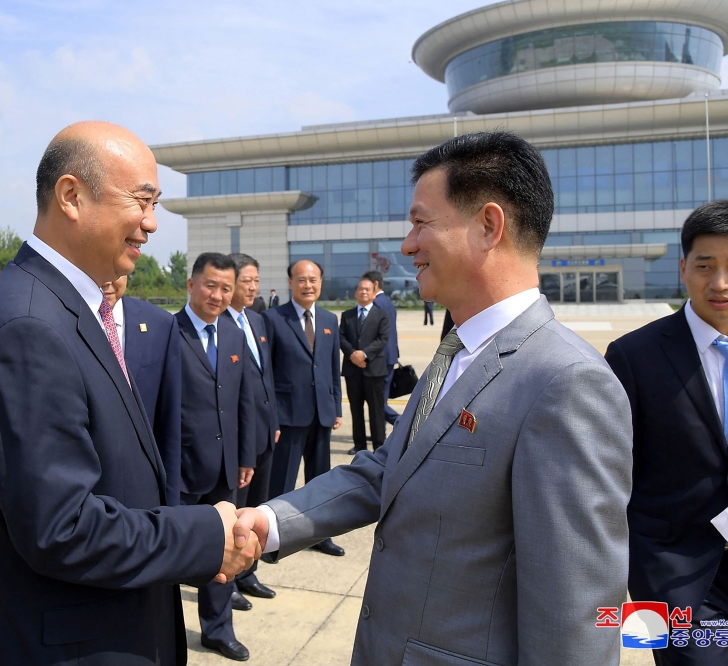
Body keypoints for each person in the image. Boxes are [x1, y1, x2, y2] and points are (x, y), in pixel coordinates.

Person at [237, 131, 633, 665]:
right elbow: (390, 469)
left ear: (488, 226)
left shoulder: (567, 384)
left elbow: (577, 618)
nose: (407, 244)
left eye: (421, 222)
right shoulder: (458, 351)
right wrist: (269, 521)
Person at [0, 122, 259, 666]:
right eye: (141, 201)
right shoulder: (30, 327)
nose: (151, 224)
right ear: (71, 196)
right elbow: (62, 528)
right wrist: (205, 533)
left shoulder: (62, 307)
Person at [605, 199, 728, 666]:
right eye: (705, 266)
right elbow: (609, 469)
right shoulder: (633, 357)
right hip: (676, 573)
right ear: (684, 268)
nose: (720, 283)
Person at [175, 252, 257, 662]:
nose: (218, 295)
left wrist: (245, 457)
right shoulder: (168, 333)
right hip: (182, 470)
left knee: (225, 550)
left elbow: (243, 401)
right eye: (211, 285)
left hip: (225, 469)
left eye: (226, 288)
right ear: (191, 285)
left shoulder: (234, 335)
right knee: (173, 555)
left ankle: (217, 630)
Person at [262, 259, 345, 557]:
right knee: (282, 480)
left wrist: (336, 406)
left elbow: (333, 368)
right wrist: (272, 417)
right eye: (301, 280)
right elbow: (267, 373)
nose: (308, 285)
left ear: (320, 282)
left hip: (321, 413)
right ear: (290, 282)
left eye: (313, 280)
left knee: (321, 479)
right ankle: (274, 540)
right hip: (288, 415)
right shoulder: (272, 318)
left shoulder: (329, 320)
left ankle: (320, 535)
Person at [225, 253, 280, 606]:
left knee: (257, 507)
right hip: (238, 439)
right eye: (246, 281)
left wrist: (274, 422)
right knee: (235, 512)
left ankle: (248, 573)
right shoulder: (220, 325)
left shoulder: (257, 321)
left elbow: (266, 377)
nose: (252, 287)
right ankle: (226, 579)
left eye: (255, 281)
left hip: (264, 433)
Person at [102, 276, 182, 506]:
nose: (107, 281)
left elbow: (169, 423)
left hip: (143, 490)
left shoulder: (160, 324)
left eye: (115, 272)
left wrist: (171, 505)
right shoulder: (64, 319)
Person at [340, 277, 391, 455]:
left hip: (374, 369)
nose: (363, 292)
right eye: (360, 289)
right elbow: (341, 338)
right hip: (352, 370)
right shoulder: (347, 315)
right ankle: (359, 444)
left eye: (367, 289)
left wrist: (364, 354)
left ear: (373, 294)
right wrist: (353, 354)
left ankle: (379, 445)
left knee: (376, 410)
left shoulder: (382, 315)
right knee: (356, 409)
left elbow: (383, 339)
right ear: (355, 293)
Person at [364, 271, 400, 425]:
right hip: (390, 355)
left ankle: (400, 421)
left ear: (375, 284)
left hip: (379, 357)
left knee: (376, 399)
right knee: (381, 397)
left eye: (367, 287)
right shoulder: (388, 302)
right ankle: (380, 428)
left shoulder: (376, 304)